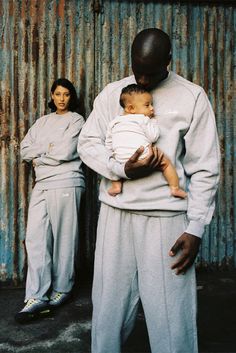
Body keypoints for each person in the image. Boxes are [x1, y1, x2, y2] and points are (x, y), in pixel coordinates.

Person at [78, 28, 220, 353]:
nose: (142, 79)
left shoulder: (192, 96)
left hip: (166, 219)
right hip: (117, 215)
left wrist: (196, 227)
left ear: (169, 61)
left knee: (172, 315)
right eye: (136, 69)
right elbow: (88, 143)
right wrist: (120, 168)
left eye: (151, 72)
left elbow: (205, 165)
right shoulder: (114, 92)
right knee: (108, 309)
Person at [15, 78, 85, 323]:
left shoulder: (77, 120)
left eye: (66, 94)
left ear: (71, 97)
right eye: (57, 94)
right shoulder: (42, 122)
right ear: (52, 96)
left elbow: (67, 152)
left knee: (64, 238)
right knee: (36, 237)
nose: (62, 99)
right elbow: (24, 150)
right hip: (43, 183)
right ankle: (36, 295)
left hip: (67, 181)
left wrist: (41, 156)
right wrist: (48, 148)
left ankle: (62, 289)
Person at [105, 83, 187, 198]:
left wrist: (113, 154)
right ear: (131, 108)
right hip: (143, 155)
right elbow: (153, 137)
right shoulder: (142, 119)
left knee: (112, 167)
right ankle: (175, 188)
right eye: (147, 105)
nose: (152, 108)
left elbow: (108, 142)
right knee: (166, 163)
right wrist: (152, 122)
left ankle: (116, 186)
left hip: (120, 158)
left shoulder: (114, 122)